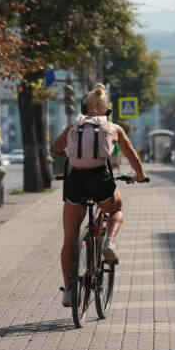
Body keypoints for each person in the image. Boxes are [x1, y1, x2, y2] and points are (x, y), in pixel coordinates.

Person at [50, 83, 146, 308]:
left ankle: (69, 291)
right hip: (100, 181)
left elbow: (54, 148)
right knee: (117, 208)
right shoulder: (113, 127)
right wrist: (140, 175)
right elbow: (131, 154)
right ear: (107, 109)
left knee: (70, 239)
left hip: (75, 183)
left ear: (84, 107)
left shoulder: (74, 126)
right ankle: (109, 241)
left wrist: (70, 152)